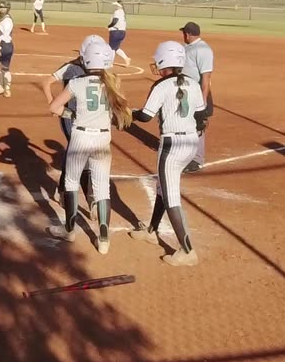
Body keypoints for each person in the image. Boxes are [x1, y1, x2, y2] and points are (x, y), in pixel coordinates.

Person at [47, 41, 132, 255]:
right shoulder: (113, 82)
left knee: (71, 182)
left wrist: (72, 115)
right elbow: (122, 114)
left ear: (86, 60)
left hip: (80, 137)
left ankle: (69, 230)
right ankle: (103, 240)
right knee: (102, 187)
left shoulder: (77, 82)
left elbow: (54, 108)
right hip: (103, 139)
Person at [130, 41, 208, 266]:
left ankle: (187, 251)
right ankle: (152, 231)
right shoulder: (193, 83)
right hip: (191, 142)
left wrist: (129, 114)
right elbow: (201, 114)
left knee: (171, 195)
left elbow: (145, 116)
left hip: (171, 145)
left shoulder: (161, 86)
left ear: (165, 62)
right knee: (163, 188)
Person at [42, 35, 106, 200]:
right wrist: (53, 104)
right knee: (78, 152)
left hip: (90, 117)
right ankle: (86, 196)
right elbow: (47, 82)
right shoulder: (70, 67)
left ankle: (66, 190)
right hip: (71, 117)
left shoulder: (99, 68)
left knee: (77, 153)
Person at [178, 22, 214, 173]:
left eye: (183, 33)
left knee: (198, 125)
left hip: (197, 92)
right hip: (185, 91)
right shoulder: (188, 47)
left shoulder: (203, 50)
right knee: (184, 121)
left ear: (187, 34)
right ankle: (185, 152)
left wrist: (203, 102)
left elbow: (206, 78)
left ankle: (197, 159)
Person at [107, 0, 132, 66]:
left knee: (111, 48)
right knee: (116, 47)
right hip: (122, 32)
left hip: (116, 31)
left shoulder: (117, 12)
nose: (115, 7)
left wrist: (109, 26)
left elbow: (115, 20)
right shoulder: (123, 12)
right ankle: (126, 58)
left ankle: (110, 63)